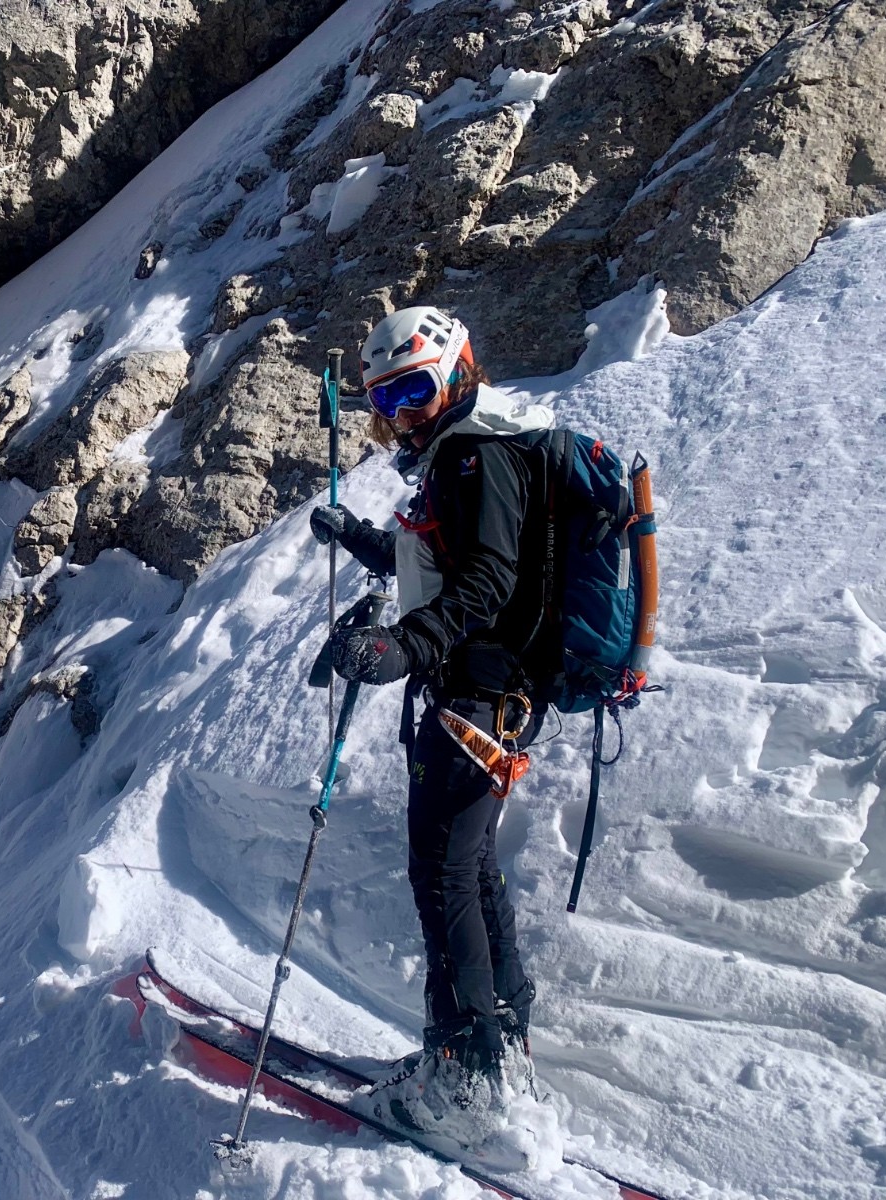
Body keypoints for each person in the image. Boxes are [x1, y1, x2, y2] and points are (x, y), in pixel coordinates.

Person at [309, 305, 554, 1138]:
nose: (401, 415)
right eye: (386, 403)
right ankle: (497, 1051)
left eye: (414, 390)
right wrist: (363, 542)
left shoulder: (480, 456)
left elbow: (486, 582)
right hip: (486, 697)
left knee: (445, 878)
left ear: (458, 369)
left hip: (474, 700)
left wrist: (405, 647)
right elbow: (438, 561)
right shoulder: (467, 450)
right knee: (469, 870)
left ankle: (463, 1080)